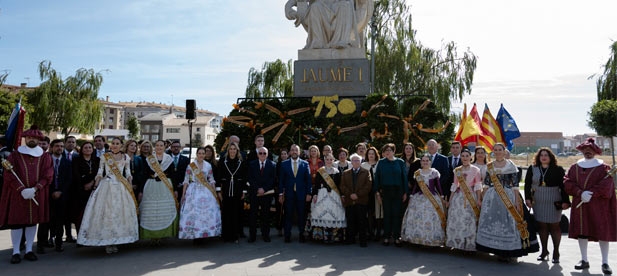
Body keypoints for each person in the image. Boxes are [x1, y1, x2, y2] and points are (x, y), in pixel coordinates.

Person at [476, 143, 538, 262]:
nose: (498, 152)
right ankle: (496, 250)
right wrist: (482, 199)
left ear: (504, 151)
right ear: (493, 152)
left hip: (508, 197)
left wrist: (516, 201)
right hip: (492, 198)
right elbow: (487, 185)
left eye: (500, 150)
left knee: (509, 223)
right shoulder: (489, 166)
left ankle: (509, 251)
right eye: (496, 150)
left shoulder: (511, 165)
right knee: (493, 223)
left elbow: (515, 186)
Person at [0, 126, 53, 264]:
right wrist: (21, 189)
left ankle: (29, 250)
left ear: (38, 140)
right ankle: (16, 251)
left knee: (32, 222)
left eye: (34, 138)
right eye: (29, 137)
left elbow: (48, 174)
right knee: (17, 223)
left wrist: (36, 188)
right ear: (25, 139)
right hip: (18, 195)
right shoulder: (15, 155)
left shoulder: (45, 156)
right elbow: (8, 174)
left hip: (37, 194)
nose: (31, 140)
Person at [77, 137, 139, 254]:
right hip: (107, 185)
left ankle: (116, 240)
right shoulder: (105, 157)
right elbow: (100, 172)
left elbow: (128, 172)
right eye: (113, 143)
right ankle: (107, 242)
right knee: (107, 214)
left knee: (119, 213)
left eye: (117, 143)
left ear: (121, 145)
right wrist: (96, 185)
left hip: (121, 186)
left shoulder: (126, 157)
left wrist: (129, 183)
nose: (115, 145)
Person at [563, 138, 616, 274]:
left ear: (595, 151)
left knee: (602, 232)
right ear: (582, 151)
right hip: (581, 206)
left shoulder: (603, 167)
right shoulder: (575, 167)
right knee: (582, 231)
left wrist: (592, 193)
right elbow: (567, 182)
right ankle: (584, 259)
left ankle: (605, 262)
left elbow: (607, 186)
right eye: (585, 150)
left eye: (590, 150)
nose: (588, 152)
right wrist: (580, 192)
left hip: (599, 206)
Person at [524, 147, 569, 263]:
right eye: (541, 155)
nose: (543, 157)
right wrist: (528, 198)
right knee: (542, 226)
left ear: (551, 157)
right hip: (538, 200)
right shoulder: (532, 168)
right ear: (538, 157)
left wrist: (566, 201)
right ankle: (544, 251)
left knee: (554, 226)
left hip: (553, 199)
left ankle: (556, 252)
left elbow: (563, 186)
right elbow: (527, 184)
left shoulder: (558, 169)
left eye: (546, 155)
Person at [284, 0, 373, 49]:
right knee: (315, 7)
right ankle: (317, 42)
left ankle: (341, 42)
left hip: (341, 10)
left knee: (345, 5)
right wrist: (288, 6)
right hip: (322, 10)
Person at [402, 154, 445, 247]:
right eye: (423, 161)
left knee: (432, 218)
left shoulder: (434, 172)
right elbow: (416, 187)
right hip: (419, 198)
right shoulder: (418, 173)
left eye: (427, 161)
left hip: (432, 198)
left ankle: (431, 240)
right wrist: (412, 196)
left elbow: (438, 186)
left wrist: (441, 197)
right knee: (417, 218)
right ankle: (418, 239)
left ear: (430, 162)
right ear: (421, 162)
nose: (425, 162)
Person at [179, 147, 221, 241]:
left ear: (205, 155)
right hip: (193, 190)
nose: (201, 155)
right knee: (194, 213)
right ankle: (195, 235)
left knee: (205, 213)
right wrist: (183, 194)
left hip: (206, 191)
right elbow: (186, 180)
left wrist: (214, 193)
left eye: (203, 153)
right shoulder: (191, 165)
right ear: (197, 154)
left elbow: (211, 179)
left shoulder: (208, 165)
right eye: (199, 153)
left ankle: (204, 234)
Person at [37, 139, 72, 254]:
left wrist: (60, 191)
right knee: (44, 221)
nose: (60, 148)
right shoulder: (45, 161)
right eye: (57, 146)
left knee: (59, 220)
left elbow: (69, 180)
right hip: (47, 194)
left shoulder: (67, 163)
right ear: (51, 147)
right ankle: (41, 244)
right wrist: (51, 191)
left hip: (61, 196)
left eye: (62, 146)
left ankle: (58, 243)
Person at [140, 140, 178, 242]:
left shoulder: (169, 159)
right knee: (151, 209)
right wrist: (140, 190)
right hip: (151, 185)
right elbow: (144, 175)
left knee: (163, 209)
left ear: (165, 147)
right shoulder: (149, 159)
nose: (159, 147)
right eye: (157, 145)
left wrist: (175, 189)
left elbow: (173, 175)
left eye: (161, 145)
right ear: (154, 147)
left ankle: (162, 235)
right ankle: (153, 236)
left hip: (165, 186)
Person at [446, 149, 482, 251]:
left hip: (471, 197)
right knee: (457, 220)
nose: (465, 158)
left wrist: (479, 199)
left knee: (469, 221)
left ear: (470, 157)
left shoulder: (476, 170)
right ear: (461, 157)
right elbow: (454, 186)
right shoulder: (457, 170)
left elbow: (478, 186)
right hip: (458, 198)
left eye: (467, 156)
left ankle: (469, 245)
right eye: (463, 156)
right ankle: (458, 244)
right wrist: (450, 200)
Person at [373, 143, 408, 247]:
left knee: (397, 215)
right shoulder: (381, 162)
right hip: (386, 191)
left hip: (398, 191)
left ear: (394, 151)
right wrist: (377, 193)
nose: (388, 152)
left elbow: (404, 177)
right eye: (386, 150)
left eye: (390, 150)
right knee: (387, 215)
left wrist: (405, 192)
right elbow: (377, 178)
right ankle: (387, 237)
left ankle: (397, 237)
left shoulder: (400, 162)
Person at [278, 144, 312, 243]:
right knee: (288, 215)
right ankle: (287, 235)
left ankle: (302, 234)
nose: (294, 152)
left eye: (296, 150)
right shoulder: (284, 164)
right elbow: (281, 181)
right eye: (292, 150)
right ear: (290, 152)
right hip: (289, 194)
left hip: (301, 194)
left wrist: (309, 193)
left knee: (302, 215)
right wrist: (280, 194)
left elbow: (308, 180)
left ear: (299, 152)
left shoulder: (305, 164)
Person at [308, 153, 345, 243]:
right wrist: (315, 195)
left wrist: (342, 195)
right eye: (327, 159)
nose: (329, 161)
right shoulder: (320, 171)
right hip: (322, 195)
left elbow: (339, 185)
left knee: (335, 214)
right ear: (325, 160)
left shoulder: (336, 171)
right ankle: (320, 237)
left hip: (334, 196)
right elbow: (316, 185)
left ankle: (334, 237)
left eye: (331, 159)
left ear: (333, 160)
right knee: (321, 214)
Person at [217, 142, 247, 243]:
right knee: (226, 213)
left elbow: (244, 177)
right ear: (228, 150)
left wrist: (244, 191)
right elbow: (218, 176)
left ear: (237, 150)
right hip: (226, 190)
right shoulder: (222, 161)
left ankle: (235, 236)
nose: (232, 151)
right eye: (231, 149)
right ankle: (226, 235)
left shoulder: (241, 162)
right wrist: (218, 191)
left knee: (236, 214)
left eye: (234, 149)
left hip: (237, 190)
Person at [340, 153, 371, 247]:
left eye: (357, 160)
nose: (356, 162)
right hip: (349, 200)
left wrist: (357, 195)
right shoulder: (346, 173)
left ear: (361, 162)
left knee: (362, 221)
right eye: (354, 160)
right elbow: (342, 186)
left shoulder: (366, 172)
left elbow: (368, 186)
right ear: (351, 162)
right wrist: (350, 194)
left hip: (361, 200)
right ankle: (350, 239)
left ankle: (363, 240)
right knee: (350, 220)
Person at [70, 142, 99, 240]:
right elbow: (76, 175)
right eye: (85, 147)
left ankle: (91, 237)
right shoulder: (76, 160)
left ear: (92, 149)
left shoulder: (97, 160)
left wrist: (92, 183)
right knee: (80, 216)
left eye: (90, 147)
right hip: (79, 191)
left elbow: (100, 174)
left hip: (94, 190)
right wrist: (84, 185)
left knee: (92, 215)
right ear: (82, 149)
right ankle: (80, 238)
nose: (88, 149)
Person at [247, 147, 276, 243]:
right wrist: (257, 189)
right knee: (253, 215)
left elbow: (273, 179)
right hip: (254, 193)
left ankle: (265, 235)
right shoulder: (252, 164)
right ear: (257, 154)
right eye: (260, 153)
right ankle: (252, 236)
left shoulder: (272, 165)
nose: (262, 155)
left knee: (265, 215)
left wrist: (264, 189)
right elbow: (250, 178)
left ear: (267, 154)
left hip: (267, 194)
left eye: (264, 153)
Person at [362, 146, 382, 241]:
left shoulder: (380, 164)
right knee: (369, 213)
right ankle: (370, 233)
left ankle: (378, 232)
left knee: (378, 213)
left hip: (378, 191)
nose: (371, 155)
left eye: (373, 154)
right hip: (367, 193)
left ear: (376, 155)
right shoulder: (363, 165)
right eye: (369, 153)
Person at [61, 136, 78, 243]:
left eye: (73, 142)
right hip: (62, 189)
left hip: (74, 189)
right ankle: (54, 236)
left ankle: (70, 235)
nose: (71, 144)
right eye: (69, 142)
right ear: (65, 143)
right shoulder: (59, 154)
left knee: (72, 213)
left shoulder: (77, 156)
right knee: (61, 214)